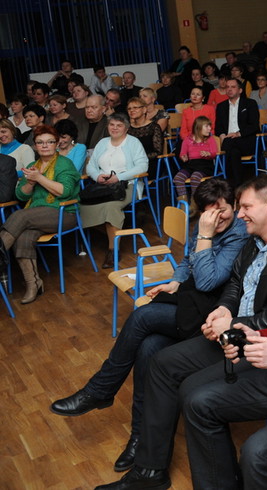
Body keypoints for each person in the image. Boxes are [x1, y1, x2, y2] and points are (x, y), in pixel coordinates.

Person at [93, 175, 267, 490]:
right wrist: (225, 309)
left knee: (192, 391)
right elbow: (236, 282)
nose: (240, 215)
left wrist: (234, 323)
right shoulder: (257, 238)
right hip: (235, 331)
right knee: (160, 361)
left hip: (260, 343)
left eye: (246, 207)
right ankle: (150, 472)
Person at [51, 179, 247, 471]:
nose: (216, 218)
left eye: (222, 211)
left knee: (142, 316)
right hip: (191, 301)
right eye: (209, 213)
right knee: (148, 348)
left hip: (213, 315)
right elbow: (188, 261)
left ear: (234, 205)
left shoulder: (238, 232)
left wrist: (205, 235)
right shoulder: (205, 224)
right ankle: (140, 439)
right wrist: (175, 282)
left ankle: (100, 390)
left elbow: (208, 281)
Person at [0, 125, 80, 303]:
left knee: (21, 216)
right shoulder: (32, 166)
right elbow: (21, 195)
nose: (45, 146)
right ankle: (34, 284)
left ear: (56, 144)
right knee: (23, 237)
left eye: (49, 142)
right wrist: (30, 183)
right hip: (36, 216)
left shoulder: (64, 163)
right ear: (35, 146)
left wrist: (39, 178)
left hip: (63, 213)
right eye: (40, 142)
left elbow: (65, 191)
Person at [81, 113, 149, 269]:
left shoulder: (133, 142)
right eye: (112, 125)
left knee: (111, 207)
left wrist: (119, 177)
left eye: (119, 125)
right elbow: (91, 166)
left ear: (126, 128)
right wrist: (97, 176)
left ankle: (113, 250)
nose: (115, 128)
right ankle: (106, 234)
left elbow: (142, 166)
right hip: (103, 186)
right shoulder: (102, 143)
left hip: (127, 185)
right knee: (82, 205)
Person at [215, 78, 260, 187]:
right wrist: (222, 136)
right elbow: (218, 127)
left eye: (233, 87)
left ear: (240, 90)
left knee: (229, 144)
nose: (229, 89)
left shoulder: (250, 103)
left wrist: (238, 134)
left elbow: (254, 126)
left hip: (246, 139)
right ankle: (238, 185)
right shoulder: (221, 106)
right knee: (234, 153)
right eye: (227, 87)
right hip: (229, 141)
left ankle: (222, 179)